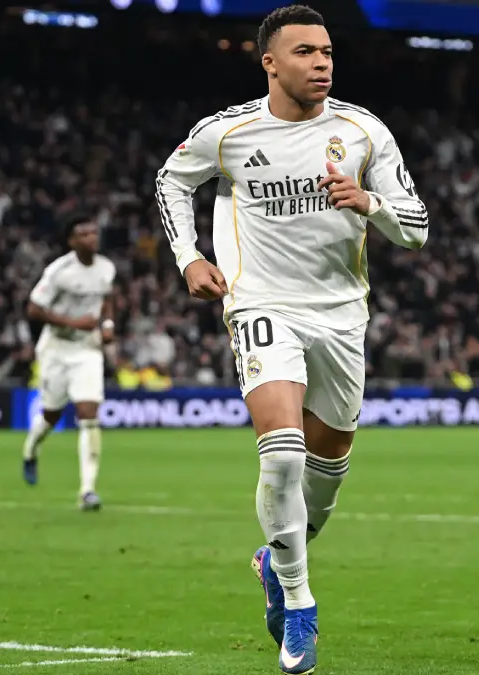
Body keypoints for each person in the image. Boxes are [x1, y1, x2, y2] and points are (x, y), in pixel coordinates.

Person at [154, 6, 428, 673]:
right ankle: (300, 606)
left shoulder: (364, 133)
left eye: (327, 50)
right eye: (305, 51)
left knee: (325, 477)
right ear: (269, 62)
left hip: (342, 313)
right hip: (261, 301)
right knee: (281, 453)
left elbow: (416, 228)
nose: (322, 62)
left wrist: (370, 204)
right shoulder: (229, 132)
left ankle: (276, 562)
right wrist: (188, 255)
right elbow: (171, 179)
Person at [21, 212, 116, 512]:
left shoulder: (106, 268)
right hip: (56, 349)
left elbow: (107, 299)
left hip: (87, 349)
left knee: (89, 413)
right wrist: (74, 323)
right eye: (84, 234)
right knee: (51, 415)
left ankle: (87, 490)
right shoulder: (59, 271)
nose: (91, 238)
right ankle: (31, 449)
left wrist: (108, 324)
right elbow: (34, 309)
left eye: (94, 232)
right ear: (72, 241)